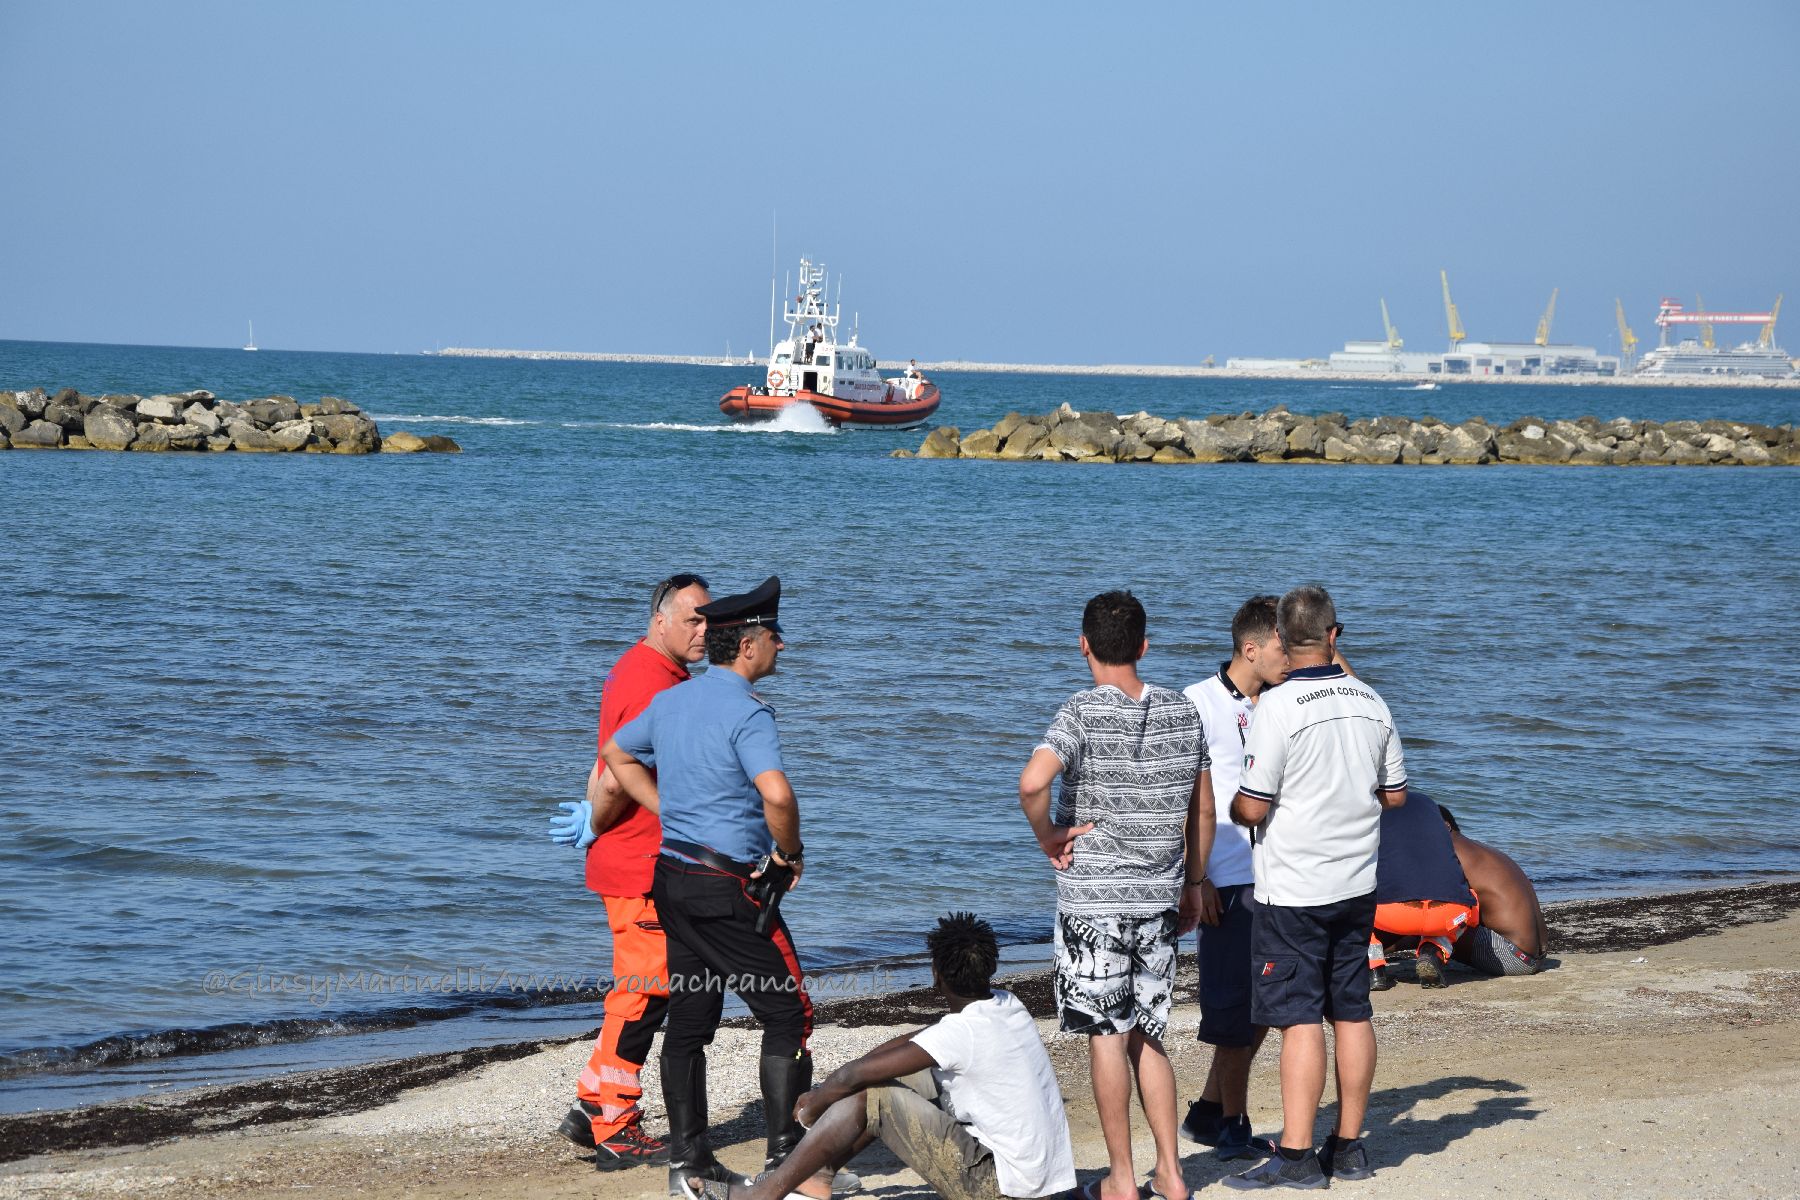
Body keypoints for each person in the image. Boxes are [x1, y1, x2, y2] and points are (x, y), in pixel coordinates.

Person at [602, 576, 813, 1196]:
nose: (781, 645)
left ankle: (689, 1167)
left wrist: (666, 810)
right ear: (747, 646)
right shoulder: (748, 711)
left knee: (690, 1021)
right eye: (775, 636)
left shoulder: (673, 700)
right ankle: (786, 1167)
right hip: (726, 889)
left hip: (671, 879)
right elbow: (777, 794)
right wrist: (789, 853)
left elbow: (616, 753)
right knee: (789, 1013)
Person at [1019, 591, 1214, 1200]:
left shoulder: (1079, 711)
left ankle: (1123, 1179)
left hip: (1094, 901)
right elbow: (1203, 810)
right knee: (1150, 1034)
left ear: (1083, 645)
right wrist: (1193, 883)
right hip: (1159, 895)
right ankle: (1172, 1174)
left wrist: (1048, 835)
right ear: (1143, 647)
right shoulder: (1183, 710)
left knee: (1107, 1035)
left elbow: (1031, 783)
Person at [679, 913, 1077, 1200]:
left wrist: (817, 1100)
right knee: (891, 1078)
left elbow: (854, 1078)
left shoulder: (962, 1032)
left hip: (1001, 1189)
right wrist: (840, 1082)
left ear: (936, 974)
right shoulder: (1007, 1004)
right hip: (1045, 1185)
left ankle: (764, 1195)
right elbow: (916, 1039)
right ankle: (816, 1176)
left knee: (876, 1095)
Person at [1225, 586, 1407, 1190]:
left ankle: (1298, 1153)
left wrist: (1237, 806)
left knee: (1299, 1018)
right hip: (1356, 881)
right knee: (1351, 1011)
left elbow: (1253, 807)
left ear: (1280, 636)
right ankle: (1348, 1147)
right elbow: (1396, 797)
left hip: (1294, 888)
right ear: (1335, 634)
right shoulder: (1372, 701)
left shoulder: (1277, 708)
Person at [546, 573, 710, 1169]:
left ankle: (593, 1098)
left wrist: (591, 816)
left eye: (709, 620)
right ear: (660, 619)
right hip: (638, 862)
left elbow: (603, 759)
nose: (704, 631)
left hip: (632, 856)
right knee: (646, 991)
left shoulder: (639, 668)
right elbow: (616, 775)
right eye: (693, 619)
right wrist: (596, 819)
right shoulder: (651, 680)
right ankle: (614, 1123)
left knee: (640, 988)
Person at [1179, 596, 1287, 1159]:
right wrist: (1195, 878)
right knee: (1232, 1010)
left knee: (1269, 1002)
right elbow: (1180, 799)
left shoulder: (1286, 701)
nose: (1291, 657)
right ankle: (1231, 1126)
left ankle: (1209, 1112)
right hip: (1226, 877)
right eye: (1283, 647)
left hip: (1282, 873)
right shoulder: (1196, 702)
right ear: (1250, 649)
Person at [1366, 790, 1477, 991]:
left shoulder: (1369, 807)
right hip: (1451, 914)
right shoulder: (1427, 803)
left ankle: (1374, 969)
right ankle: (1433, 950)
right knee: (1471, 901)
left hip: (1394, 915)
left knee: (1351, 902)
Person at [1438, 805, 1549, 975]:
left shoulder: (1452, 854)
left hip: (1516, 958)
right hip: (1537, 956)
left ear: (1446, 826)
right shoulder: (1478, 849)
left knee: (1427, 926)